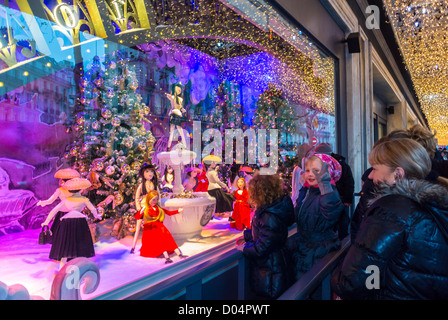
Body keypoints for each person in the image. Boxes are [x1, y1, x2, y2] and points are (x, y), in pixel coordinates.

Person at [331, 138, 448, 299]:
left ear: (398, 174)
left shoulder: (390, 212)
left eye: (375, 168)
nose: (370, 175)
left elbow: (353, 282)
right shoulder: (431, 204)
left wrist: (337, 274)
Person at [237, 174, 295, 299]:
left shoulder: (268, 215)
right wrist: (248, 235)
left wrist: (245, 248)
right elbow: (267, 232)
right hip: (274, 263)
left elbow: (263, 246)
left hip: (271, 269)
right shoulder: (271, 208)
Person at [289, 153, 344, 283]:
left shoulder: (328, 192)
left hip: (320, 250)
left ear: (327, 173)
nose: (310, 174)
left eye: (316, 171)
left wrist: (324, 184)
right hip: (305, 248)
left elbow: (331, 213)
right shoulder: (309, 191)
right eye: (307, 170)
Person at [41, 178, 102, 268]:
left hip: (67, 223)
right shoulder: (84, 199)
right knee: (80, 243)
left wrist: (46, 222)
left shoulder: (67, 200)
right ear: (81, 190)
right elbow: (93, 209)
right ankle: (80, 266)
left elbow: (54, 210)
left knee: (66, 243)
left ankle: (63, 268)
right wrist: (96, 216)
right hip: (79, 222)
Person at [133, 190, 187, 263]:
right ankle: (167, 258)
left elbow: (169, 213)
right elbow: (137, 217)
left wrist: (178, 211)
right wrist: (141, 211)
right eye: (153, 200)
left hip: (160, 227)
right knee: (160, 242)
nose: (155, 201)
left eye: (156, 199)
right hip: (151, 229)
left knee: (169, 239)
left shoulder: (158, 209)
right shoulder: (146, 209)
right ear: (149, 199)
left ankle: (179, 254)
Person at [314, 143, 354, 239]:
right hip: (331, 198)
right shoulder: (339, 163)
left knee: (340, 221)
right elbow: (348, 181)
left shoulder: (339, 164)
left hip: (337, 197)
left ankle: (341, 241)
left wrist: (347, 199)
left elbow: (348, 182)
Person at [37, 168, 80, 236]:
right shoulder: (62, 190)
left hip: (69, 212)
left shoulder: (68, 190)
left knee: (66, 233)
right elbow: (50, 201)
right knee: (66, 232)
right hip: (69, 212)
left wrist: (43, 202)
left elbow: (50, 201)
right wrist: (43, 202)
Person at [131, 163, 158, 254]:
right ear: (143, 173)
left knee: (152, 228)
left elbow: (159, 197)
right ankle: (133, 246)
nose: (150, 173)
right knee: (138, 228)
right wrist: (139, 208)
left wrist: (158, 206)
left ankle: (151, 246)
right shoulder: (141, 185)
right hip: (143, 208)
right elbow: (137, 197)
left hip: (152, 208)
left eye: (151, 171)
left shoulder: (154, 185)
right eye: (147, 171)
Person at [166, 83, 188, 151]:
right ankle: (168, 147)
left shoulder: (179, 99)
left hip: (177, 116)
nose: (180, 90)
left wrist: (183, 110)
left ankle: (185, 146)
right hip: (174, 115)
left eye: (180, 89)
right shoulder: (173, 97)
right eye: (178, 89)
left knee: (180, 131)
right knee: (172, 132)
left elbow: (180, 107)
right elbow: (169, 98)